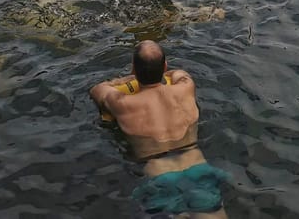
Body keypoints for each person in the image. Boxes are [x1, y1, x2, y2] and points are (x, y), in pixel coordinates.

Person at [89, 41, 228, 217]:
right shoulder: (185, 87)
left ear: (133, 68)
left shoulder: (122, 103)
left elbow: (97, 90)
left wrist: (124, 80)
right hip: (197, 165)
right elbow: (179, 73)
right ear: (165, 66)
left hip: (160, 172)